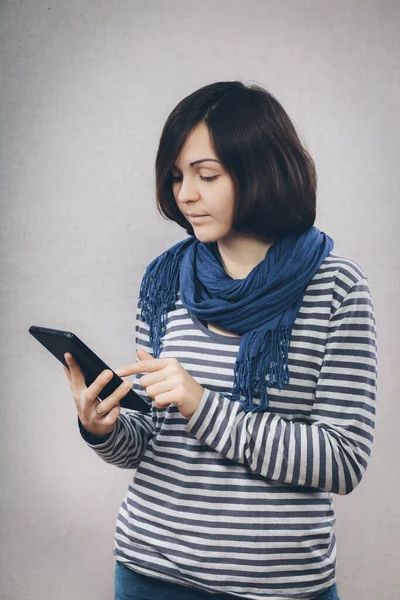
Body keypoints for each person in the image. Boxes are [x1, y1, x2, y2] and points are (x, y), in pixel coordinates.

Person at [62, 81, 377, 600]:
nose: (185, 194)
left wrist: (204, 406)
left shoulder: (336, 288)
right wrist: (103, 428)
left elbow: (342, 461)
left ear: (260, 170)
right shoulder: (166, 278)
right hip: (150, 572)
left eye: (207, 175)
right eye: (177, 176)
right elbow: (151, 440)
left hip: (277, 585)